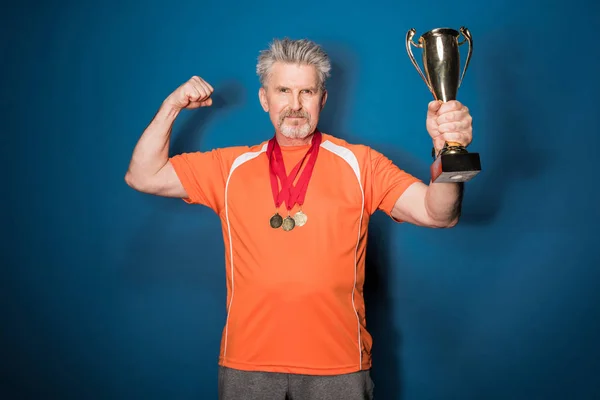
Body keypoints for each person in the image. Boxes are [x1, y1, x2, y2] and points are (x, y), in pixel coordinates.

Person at [125, 37, 473, 400]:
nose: (295, 105)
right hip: (247, 366)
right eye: (283, 90)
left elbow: (439, 213)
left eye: (307, 91)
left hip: (339, 367)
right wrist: (171, 106)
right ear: (265, 99)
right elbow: (143, 175)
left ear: (322, 99)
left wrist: (450, 151)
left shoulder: (361, 164)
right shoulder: (228, 167)